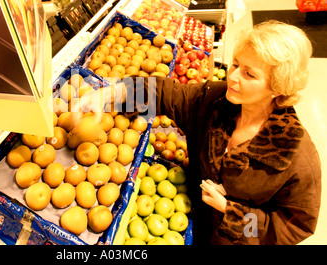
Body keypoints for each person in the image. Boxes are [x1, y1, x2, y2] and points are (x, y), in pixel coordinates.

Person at [80, 20, 322, 245]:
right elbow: (165, 93)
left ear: (277, 87)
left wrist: (230, 210)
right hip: (193, 222)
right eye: (236, 64)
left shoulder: (295, 157)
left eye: (249, 74)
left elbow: (293, 227)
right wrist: (114, 93)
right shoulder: (215, 101)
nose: (234, 77)